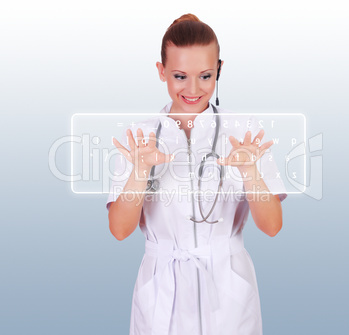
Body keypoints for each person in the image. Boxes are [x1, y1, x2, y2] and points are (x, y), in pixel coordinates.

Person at [106, 13, 287, 335]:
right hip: (161, 289)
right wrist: (140, 170)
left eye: (205, 76)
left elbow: (272, 227)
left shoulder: (244, 132)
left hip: (228, 288)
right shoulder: (138, 137)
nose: (193, 89)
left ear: (219, 69)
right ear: (161, 72)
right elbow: (120, 231)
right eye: (179, 76)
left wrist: (250, 171)